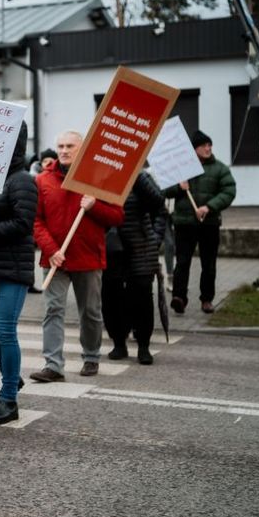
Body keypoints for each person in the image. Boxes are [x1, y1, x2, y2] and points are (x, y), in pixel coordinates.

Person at [30, 130, 123, 382]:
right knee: (53, 309)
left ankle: (91, 356)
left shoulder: (98, 179)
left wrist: (95, 207)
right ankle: (53, 365)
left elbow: (116, 216)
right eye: (60, 145)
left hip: (88, 257)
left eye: (70, 145)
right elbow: (36, 220)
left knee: (91, 311)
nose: (64, 150)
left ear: (82, 149)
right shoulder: (43, 180)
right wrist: (51, 250)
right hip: (55, 259)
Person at [0, 123, 37, 425]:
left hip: (13, 267)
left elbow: (23, 222)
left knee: (4, 330)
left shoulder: (22, 179)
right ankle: (11, 376)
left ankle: (9, 397)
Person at [165, 130, 236, 315]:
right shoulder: (181, 168)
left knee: (209, 263)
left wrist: (209, 207)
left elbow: (229, 191)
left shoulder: (220, 168)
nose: (208, 148)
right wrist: (179, 188)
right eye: (204, 145)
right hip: (184, 223)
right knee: (182, 262)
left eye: (209, 145)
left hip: (209, 223)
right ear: (194, 149)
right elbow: (164, 190)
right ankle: (179, 297)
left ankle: (207, 300)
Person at [104, 170, 167, 365]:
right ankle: (119, 342)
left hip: (141, 249)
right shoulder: (102, 176)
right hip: (111, 249)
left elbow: (159, 206)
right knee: (111, 298)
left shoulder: (140, 177)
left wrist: (155, 237)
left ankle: (143, 346)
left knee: (141, 298)